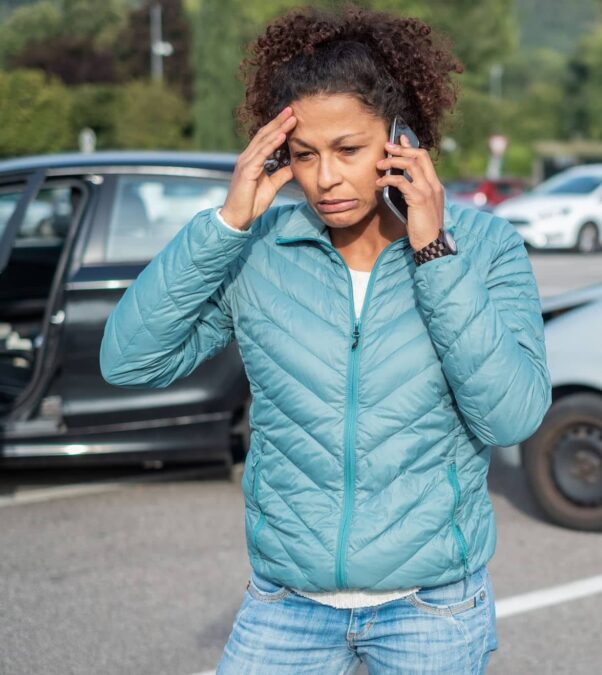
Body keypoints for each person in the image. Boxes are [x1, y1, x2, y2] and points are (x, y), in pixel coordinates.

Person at [98, 4, 551, 673]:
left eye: (348, 150)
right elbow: (128, 361)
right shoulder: (259, 254)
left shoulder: (483, 249)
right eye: (304, 154)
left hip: (432, 608)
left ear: (403, 140)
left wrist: (434, 254)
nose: (326, 178)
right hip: (287, 604)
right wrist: (224, 225)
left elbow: (512, 416)